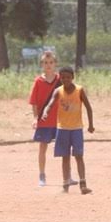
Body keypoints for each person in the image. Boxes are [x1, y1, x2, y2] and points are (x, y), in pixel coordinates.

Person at [42, 66, 94, 194]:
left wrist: (91, 124)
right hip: (63, 129)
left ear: (73, 77)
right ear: (60, 78)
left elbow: (88, 107)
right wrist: (45, 112)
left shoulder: (79, 90)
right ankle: (65, 184)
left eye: (68, 77)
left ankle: (83, 184)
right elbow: (50, 103)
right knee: (65, 157)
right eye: (63, 77)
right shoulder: (58, 91)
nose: (66, 79)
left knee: (79, 156)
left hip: (76, 128)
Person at [28, 50, 60, 187]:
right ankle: (42, 174)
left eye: (51, 62)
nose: (48, 65)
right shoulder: (38, 81)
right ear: (42, 64)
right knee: (43, 147)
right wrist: (36, 118)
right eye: (46, 63)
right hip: (44, 120)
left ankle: (67, 174)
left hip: (59, 120)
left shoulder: (61, 80)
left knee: (65, 147)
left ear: (55, 64)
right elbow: (34, 102)